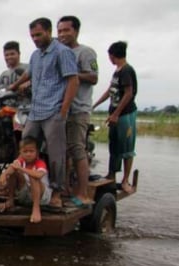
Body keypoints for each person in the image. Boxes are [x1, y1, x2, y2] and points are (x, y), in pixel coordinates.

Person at [8, 17, 79, 209]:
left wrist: (63, 111)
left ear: (49, 32)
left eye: (39, 34)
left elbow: (73, 81)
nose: (35, 39)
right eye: (32, 36)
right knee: (25, 146)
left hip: (53, 111)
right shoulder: (35, 55)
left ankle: (56, 192)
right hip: (35, 110)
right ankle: (23, 185)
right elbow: (28, 74)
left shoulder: (62, 52)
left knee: (56, 154)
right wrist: (12, 87)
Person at [57, 15, 98, 207]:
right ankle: (64, 188)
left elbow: (93, 76)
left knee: (77, 148)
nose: (63, 34)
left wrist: (72, 74)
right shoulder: (59, 52)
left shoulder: (85, 52)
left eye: (66, 30)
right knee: (62, 150)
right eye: (60, 31)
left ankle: (83, 193)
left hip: (78, 109)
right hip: (60, 108)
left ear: (76, 31)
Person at [93, 41, 138, 194]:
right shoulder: (117, 71)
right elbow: (110, 91)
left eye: (109, 56)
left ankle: (125, 179)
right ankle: (111, 175)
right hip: (115, 114)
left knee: (126, 148)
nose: (109, 59)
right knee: (114, 145)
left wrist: (116, 114)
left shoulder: (126, 70)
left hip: (125, 115)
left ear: (112, 55)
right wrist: (95, 105)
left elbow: (128, 93)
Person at [0, 136, 52, 223]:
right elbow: (13, 166)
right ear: (20, 152)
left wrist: (22, 169)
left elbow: (38, 175)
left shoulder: (40, 163)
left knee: (33, 176)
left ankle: (36, 209)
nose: (28, 154)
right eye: (25, 151)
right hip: (25, 194)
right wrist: (4, 174)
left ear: (37, 152)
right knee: (13, 170)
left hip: (41, 197)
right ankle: (10, 200)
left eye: (31, 151)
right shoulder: (21, 160)